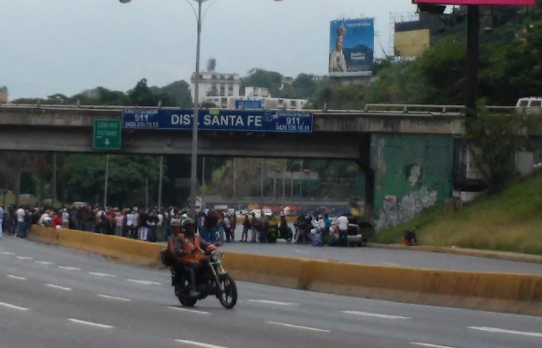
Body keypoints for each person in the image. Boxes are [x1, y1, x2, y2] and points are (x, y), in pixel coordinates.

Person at [173, 218, 218, 298]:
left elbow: (205, 244)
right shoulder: (180, 237)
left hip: (197, 259)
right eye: (190, 226)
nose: (192, 228)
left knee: (211, 262)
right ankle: (193, 290)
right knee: (192, 269)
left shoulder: (196, 237)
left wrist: (213, 245)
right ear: (185, 228)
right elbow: (176, 249)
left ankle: (214, 283)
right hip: (186, 260)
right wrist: (183, 252)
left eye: (193, 226)